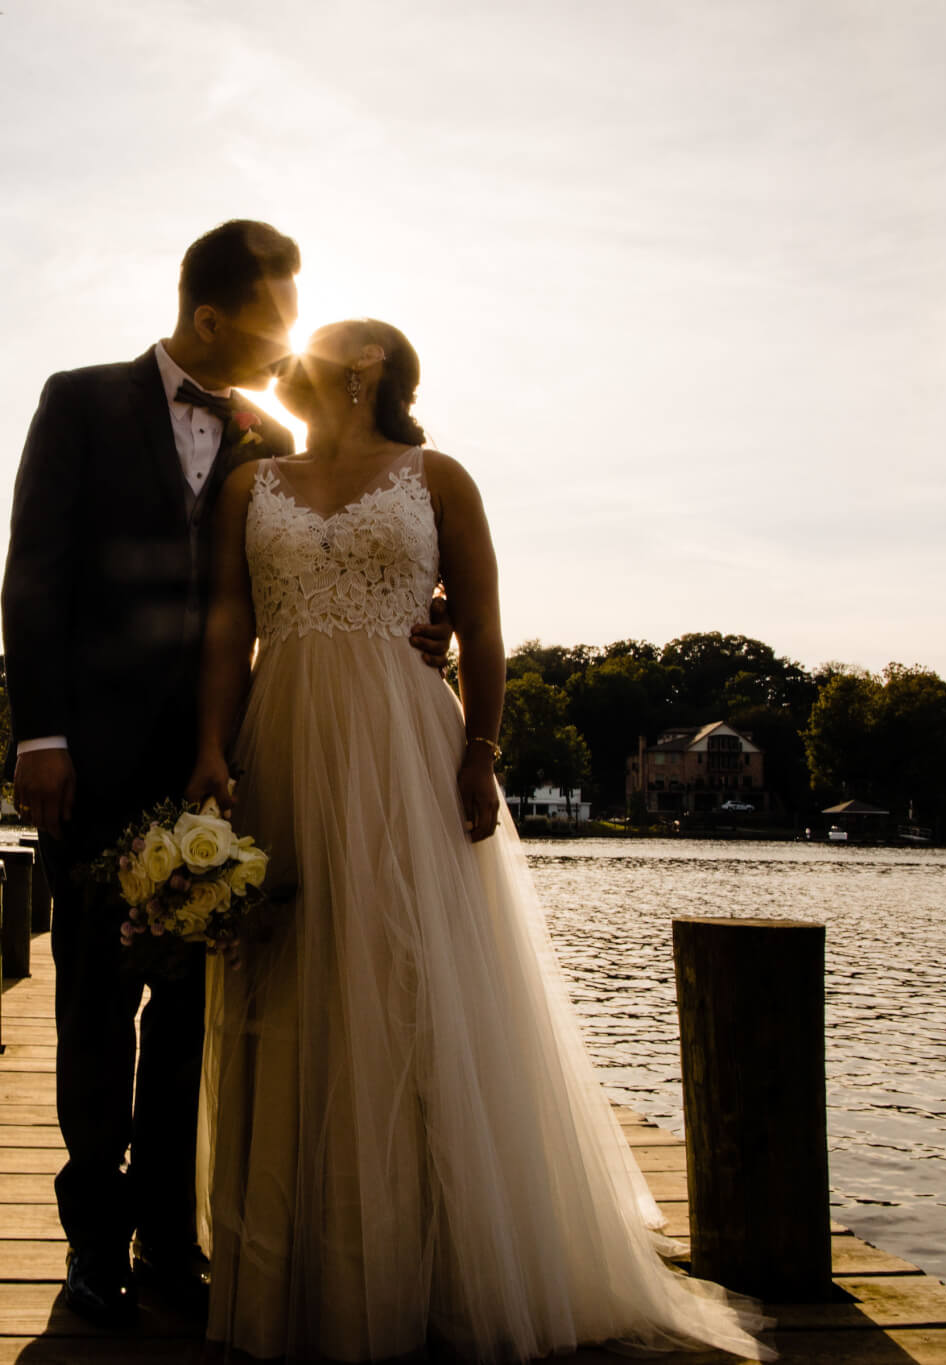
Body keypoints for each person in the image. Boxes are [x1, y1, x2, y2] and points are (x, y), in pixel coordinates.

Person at [184, 320, 777, 1361]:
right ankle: (300, 1264)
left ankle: (438, 1258)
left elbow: (488, 623)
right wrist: (210, 746)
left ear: (369, 367)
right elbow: (230, 621)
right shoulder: (251, 483)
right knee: (289, 977)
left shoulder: (438, 476)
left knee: (412, 978)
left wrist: (480, 751)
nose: (314, 341)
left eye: (335, 337)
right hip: (282, 736)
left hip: (408, 739)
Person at [0, 223, 452, 1327]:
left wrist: (408, 628)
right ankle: (92, 1245)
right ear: (207, 319)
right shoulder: (79, 400)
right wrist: (40, 736)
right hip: (90, 763)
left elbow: (315, 565)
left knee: (193, 1009)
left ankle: (171, 1240)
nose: (283, 343)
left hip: (224, 765)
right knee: (97, 1005)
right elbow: (34, 570)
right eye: (269, 320)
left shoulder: (268, 435)